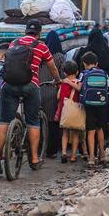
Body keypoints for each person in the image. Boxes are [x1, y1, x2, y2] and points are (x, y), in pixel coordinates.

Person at [0, 19, 60, 174]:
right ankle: (34, 159)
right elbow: (52, 67)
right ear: (39, 33)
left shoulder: (13, 44)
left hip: (8, 85)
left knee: (4, 121)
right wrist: (57, 80)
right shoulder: (42, 46)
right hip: (30, 85)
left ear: (25, 31)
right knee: (33, 121)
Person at [78, 28, 109, 147]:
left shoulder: (85, 53)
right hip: (103, 98)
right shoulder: (108, 54)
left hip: (88, 98)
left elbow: (79, 76)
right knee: (100, 127)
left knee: (89, 127)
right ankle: (101, 152)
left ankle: (89, 152)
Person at [80, 52, 109, 167]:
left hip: (89, 105)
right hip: (102, 104)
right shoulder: (104, 73)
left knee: (90, 131)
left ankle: (91, 157)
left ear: (84, 63)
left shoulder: (84, 74)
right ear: (96, 63)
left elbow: (80, 88)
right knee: (100, 129)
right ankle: (102, 155)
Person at [40, 31, 65, 159]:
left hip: (38, 91)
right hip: (53, 92)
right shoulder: (59, 56)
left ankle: (38, 149)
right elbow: (63, 75)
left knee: (37, 121)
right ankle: (51, 151)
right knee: (52, 123)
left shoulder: (40, 55)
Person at [55, 60, 81, 163]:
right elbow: (79, 89)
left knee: (65, 134)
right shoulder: (78, 82)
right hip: (75, 112)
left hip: (64, 112)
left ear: (65, 72)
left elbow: (58, 97)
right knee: (75, 134)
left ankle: (64, 153)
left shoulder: (63, 84)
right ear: (77, 72)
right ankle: (74, 156)